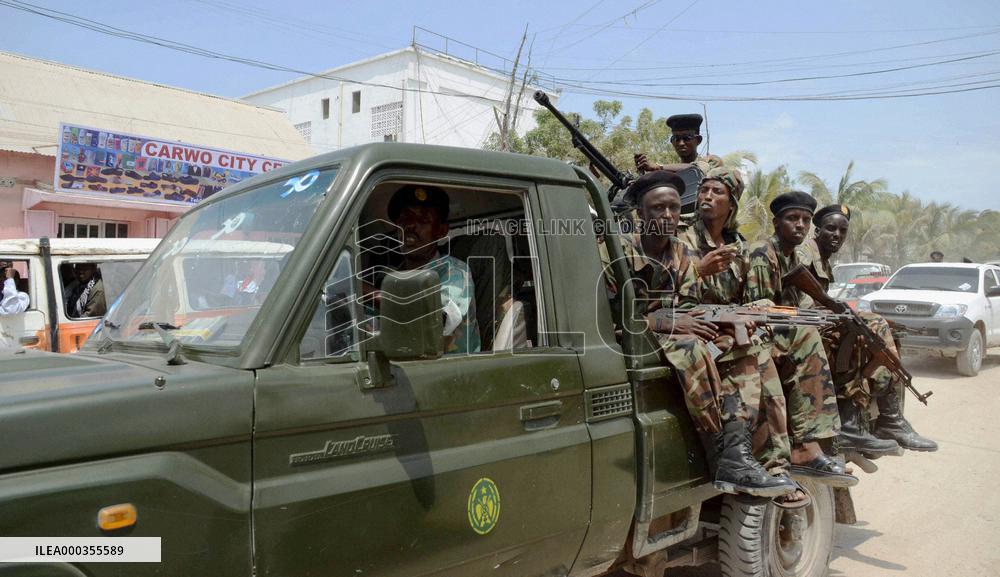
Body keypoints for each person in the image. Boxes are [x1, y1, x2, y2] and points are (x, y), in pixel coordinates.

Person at [607, 170, 794, 498]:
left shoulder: (680, 253)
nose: (667, 215)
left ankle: (736, 450)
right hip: (628, 340)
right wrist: (664, 322)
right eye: (657, 208)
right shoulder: (614, 253)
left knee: (738, 346)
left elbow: (690, 306)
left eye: (674, 208)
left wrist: (723, 322)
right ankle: (717, 447)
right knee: (692, 348)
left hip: (670, 332)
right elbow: (606, 321)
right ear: (640, 213)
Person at [676, 168, 851, 504]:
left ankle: (807, 446)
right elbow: (666, 290)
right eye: (704, 190)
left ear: (732, 203)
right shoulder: (684, 239)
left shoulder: (737, 244)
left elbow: (749, 296)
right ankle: (773, 464)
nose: (707, 197)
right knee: (757, 356)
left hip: (735, 323)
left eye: (717, 192)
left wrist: (758, 310)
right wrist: (698, 271)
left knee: (805, 334)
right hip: (699, 328)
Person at [743, 191, 862, 484]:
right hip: (752, 330)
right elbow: (760, 309)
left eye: (806, 220)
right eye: (792, 218)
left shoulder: (793, 257)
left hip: (777, 329)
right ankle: (806, 445)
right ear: (776, 222)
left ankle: (829, 437)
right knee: (808, 338)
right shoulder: (763, 254)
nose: (800, 225)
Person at [802, 205, 937, 452]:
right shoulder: (805, 252)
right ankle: (881, 419)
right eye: (831, 228)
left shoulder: (822, 257)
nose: (837, 235)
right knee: (871, 326)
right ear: (817, 230)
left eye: (843, 231)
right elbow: (802, 303)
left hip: (814, 323)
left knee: (872, 329)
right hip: (800, 326)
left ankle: (885, 419)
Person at [387, 184, 480, 354]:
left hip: (452, 373)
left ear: (441, 231)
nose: (410, 226)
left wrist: (373, 296)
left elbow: (436, 322)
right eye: (404, 219)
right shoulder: (390, 277)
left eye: (422, 220)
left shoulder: (455, 273)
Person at [634, 114, 722, 176]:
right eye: (676, 139)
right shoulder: (669, 172)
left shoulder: (712, 161)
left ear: (698, 140)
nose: (681, 143)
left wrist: (657, 167)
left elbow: (695, 169)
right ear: (672, 142)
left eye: (687, 138)